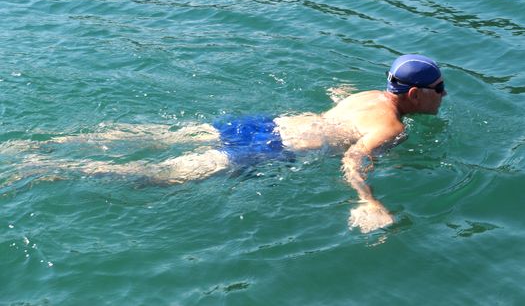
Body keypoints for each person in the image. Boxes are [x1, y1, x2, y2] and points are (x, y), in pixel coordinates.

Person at [9, 54, 447, 233]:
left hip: (261, 123)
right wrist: (367, 200)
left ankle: (31, 147)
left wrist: (336, 93)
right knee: (165, 177)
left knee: (152, 137)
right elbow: (354, 158)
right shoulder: (392, 128)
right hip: (274, 150)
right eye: (439, 89)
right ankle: (46, 170)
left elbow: (339, 108)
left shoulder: (367, 95)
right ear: (414, 94)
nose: (443, 95)